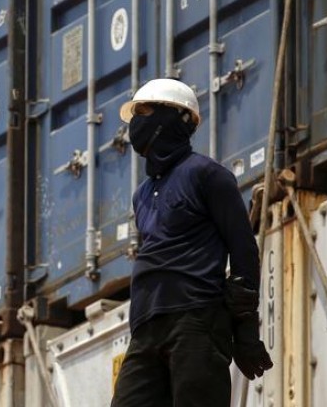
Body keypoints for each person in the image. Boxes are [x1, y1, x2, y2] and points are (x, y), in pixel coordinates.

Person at [110, 78, 273, 407]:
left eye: (144, 113)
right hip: (145, 327)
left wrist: (245, 329)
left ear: (174, 117)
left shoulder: (208, 175)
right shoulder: (141, 196)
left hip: (196, 321)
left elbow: (244, 252)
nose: (136, 125)